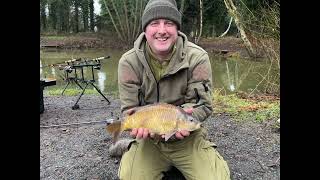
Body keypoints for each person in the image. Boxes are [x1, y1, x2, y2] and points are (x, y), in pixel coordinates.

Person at [117, 0, 230, 179]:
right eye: (154, 23)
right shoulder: (128, 62)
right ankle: (129, 146)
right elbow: (129, 110)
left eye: (169, 23)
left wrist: (187, 116)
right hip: (149, 140)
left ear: (177, 28)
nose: (162, 30)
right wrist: (135, 128)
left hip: (187, 139)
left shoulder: (197, 58)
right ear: (145, 29)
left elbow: (203, 106)